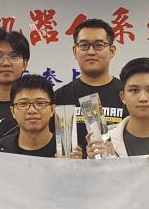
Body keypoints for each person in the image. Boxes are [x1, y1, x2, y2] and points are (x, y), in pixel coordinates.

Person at [53, 18, 127, 156]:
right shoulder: (59, 97)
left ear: (112, 51)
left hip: (119, 169)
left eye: (99, 45)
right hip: (71, 169)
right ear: (75, 51)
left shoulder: (128, 94)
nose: (91, 52)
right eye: (84, 45)